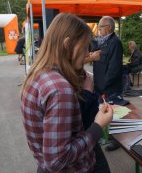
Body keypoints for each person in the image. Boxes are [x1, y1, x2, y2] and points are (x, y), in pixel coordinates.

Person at [20, 13, 113, 172]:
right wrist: (98, 125)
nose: (87, 53)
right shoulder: (60, 89)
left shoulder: (37, 75)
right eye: (84, 47)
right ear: (67, 44)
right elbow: (57, 160)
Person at [85, 16, 126, 151]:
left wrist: (104, 86)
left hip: (109, 87)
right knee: (103, 111)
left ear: (109, 28)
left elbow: (114, 68)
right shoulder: (102, 42)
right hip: (100, 85)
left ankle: (118, 141)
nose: (99, 30)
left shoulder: (115, 42)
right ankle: (107, 136)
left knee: (115, 113)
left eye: (101, 27)